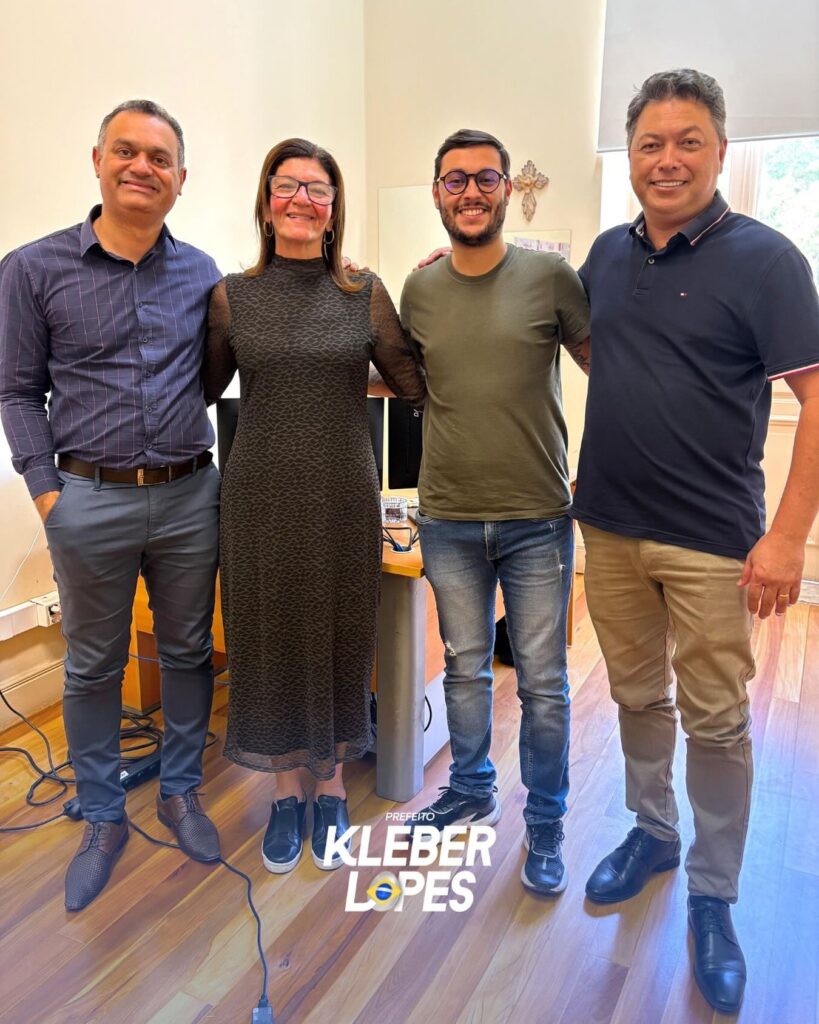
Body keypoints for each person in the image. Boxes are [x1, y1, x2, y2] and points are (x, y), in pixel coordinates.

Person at [573, 69, 819, 1013]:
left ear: (719, 151)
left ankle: (712, 895)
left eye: (687, 142)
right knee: (636, 696)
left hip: (714, 541)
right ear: (630, 156)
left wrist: (787, 536)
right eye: (649, 143)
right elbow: (593, 346)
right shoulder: (606, 254)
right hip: (609, 525)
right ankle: (652, 832)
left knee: (715, 720)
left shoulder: (766, 260)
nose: (666, 159)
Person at [0, 100, 224, 911]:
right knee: (93, 665)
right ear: (97, 160)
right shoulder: (32, 269)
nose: (142, 167)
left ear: (180, 179)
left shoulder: (202, 273)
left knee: (188, 652)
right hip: (87, 498)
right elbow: (16, 391)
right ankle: (101, 815)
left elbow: (210, 377)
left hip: (189, 494)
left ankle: (181, 790)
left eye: (159, 158)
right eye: (126, 151)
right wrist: (49, 495)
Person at [203, 138, 425, 875]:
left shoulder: (364, 293)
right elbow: (201, 388)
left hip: (341, 490)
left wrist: (436, 285)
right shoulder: (232, 296)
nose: (302, 198)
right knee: (266, 635)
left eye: (318, 189)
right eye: (287, 185)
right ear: (266, 202)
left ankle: (330, 786)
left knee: (339, 632)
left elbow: (411, 382)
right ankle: (286, 791)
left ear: (334, 209)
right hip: (259, 494)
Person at [401, 129, 591, 895]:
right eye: (455, 179)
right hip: (446, 517)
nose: (470, 192)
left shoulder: (551, 278)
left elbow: (612, 370)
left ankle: (544, 820)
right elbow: (410, 382)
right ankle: (469, 790)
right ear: (436, 193)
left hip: (537, 516)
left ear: (507, 189)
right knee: (463, 671)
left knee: (543, 684)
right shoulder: (418, 289)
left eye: (486, 178)